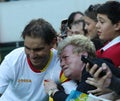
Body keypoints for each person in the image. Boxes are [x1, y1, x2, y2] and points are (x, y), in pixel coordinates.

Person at [0, 18, 76, 101]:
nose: (32, 55)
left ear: (53, 43)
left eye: (38, 49)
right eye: (27, 48)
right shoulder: (13, 59)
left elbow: (74, 99)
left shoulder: (61, 63)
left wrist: (54, 91)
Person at [44, 34, 118, 101]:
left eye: (65, 57)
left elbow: (76, 100)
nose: (61, 64)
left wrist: (53, 91)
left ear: (83, 55)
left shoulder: (94, 68)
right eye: (60, 60)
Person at [96, 1, 120, 67]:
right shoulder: (109, 43)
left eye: (102, 22)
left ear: (117, 25)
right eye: (97, 21)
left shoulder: (117, 51)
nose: (97, 25)